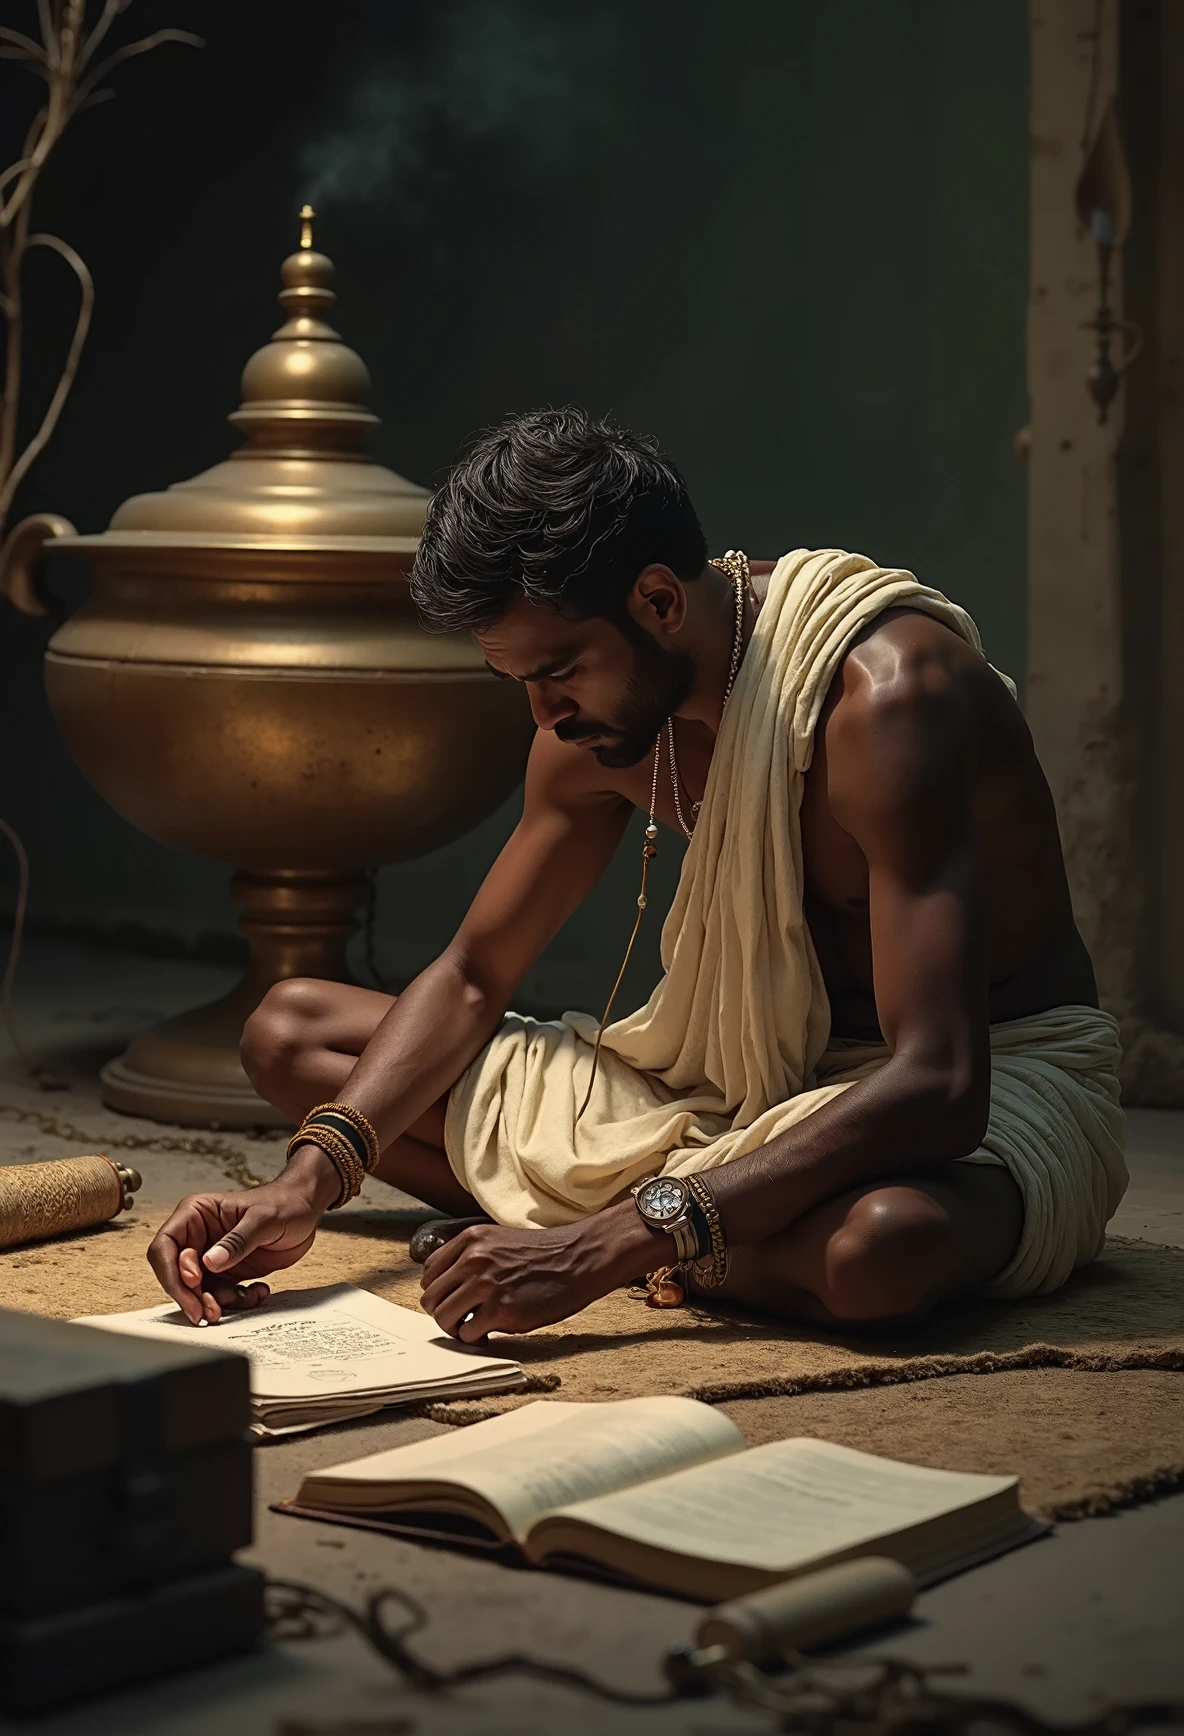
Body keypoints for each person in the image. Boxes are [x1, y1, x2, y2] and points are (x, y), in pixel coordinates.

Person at [148, 408, 1127, 1339]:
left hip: (987, 1088)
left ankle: (622, 1232)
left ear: (657, 601)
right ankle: (698, 1229)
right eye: (518, 680)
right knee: (293, 1036)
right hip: (731, 1095)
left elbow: (938, 1082)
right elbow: (475, 975)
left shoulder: (882, 701)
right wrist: (309, 1179)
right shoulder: (595, 728)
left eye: (559, 672)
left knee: (875, 1251)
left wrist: (603, 1243)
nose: (543, 714)